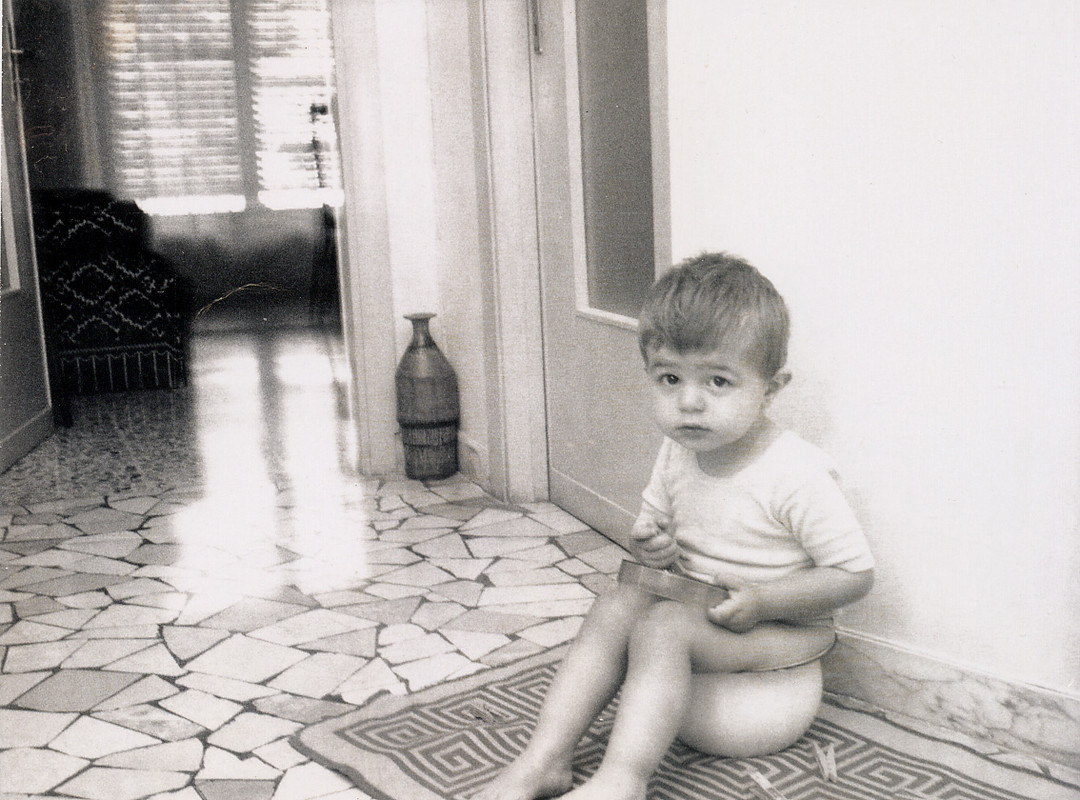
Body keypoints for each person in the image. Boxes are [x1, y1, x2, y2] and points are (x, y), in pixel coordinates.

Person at [473, 252, 875, 800]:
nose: (689, 402)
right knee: (617, 603)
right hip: (707, 614)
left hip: (784, 630)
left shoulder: (796, 473)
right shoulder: (677, 452)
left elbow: (854, 576)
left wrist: (764, 600)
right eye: (669, 378)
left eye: (718, 381)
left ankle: (623, 780)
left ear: (771, 388)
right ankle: (545, 759)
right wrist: (653, 551)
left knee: (664, 628)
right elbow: (654, 542)